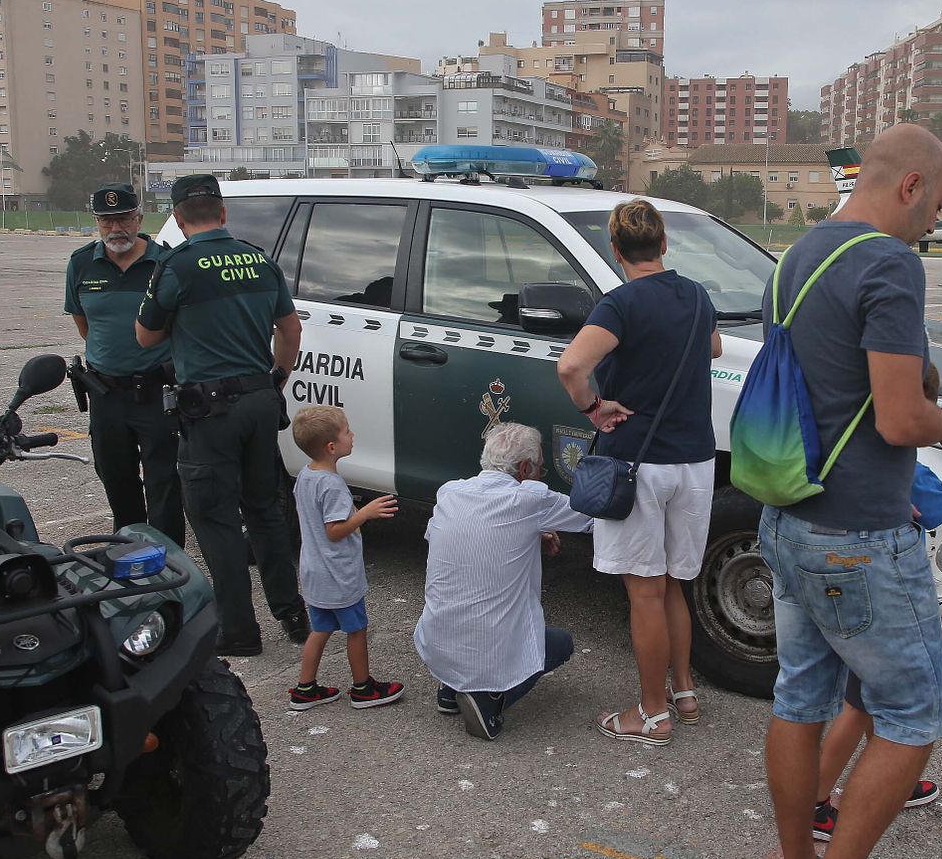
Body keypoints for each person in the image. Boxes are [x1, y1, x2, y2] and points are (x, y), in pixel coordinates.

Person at [758, 124, 942, 859]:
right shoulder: (892, 264)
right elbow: (900, 418)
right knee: (915, 714)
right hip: (860, 535)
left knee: (800, 696)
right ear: (910, 187)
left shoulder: (799, 252)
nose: (939, 217)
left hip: (788, 519)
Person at [556, 198, 721, 747]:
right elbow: (714, 346)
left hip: (640, 464)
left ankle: (651, 715)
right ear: (664, 244)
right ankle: (684, 689)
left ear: (616, 249)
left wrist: (591, 407)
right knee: (674, 583)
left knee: (644, 592)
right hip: (695, 461)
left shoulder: (620, 304)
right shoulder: (696, 295)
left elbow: (571, 366)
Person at [134, 173, 308, 657]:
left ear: (177, 217)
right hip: (259, 400)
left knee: (215, 518)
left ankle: (238, 630)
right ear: (223, 212)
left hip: (210, 411)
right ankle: (292, 614)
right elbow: (289, 329)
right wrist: (276, 377)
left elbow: (145, 338)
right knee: (265, 510)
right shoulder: (258, 259)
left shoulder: (177, 266)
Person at [811, 363, 942, 841]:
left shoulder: (848, 450)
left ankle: (892, 779)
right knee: (869, 699)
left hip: (836, 572)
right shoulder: (911, 471)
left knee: (867, 692)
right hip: (886, 588)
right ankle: (817, 799)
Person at [413, 423, 594, 741]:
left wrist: (534, 530)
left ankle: (451, 688)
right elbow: (593, 518)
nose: (542, 474)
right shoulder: (531, 499)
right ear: (525, 468)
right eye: (540, 467)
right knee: (560, 644)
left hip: (436, 642)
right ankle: (489, 699)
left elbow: (462, 538)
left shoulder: (450, 491)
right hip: (486, 650)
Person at [63, 182, 184, 545]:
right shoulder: (82, 263)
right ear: (97, 222)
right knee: (116, 477)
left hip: (157, 391)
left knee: (164, 482)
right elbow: (84, 323)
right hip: (106, 394)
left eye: (124, 219)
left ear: (139, 218)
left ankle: (168, 561)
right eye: (107, 221)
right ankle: (131, 552)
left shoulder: (166, 262)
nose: (116, 229)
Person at [285, 406, 404, 710]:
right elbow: (335, 531)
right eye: (347, 431)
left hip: (315, 572)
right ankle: (363, 687)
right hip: (338, 575)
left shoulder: (306, 477)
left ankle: (305, 688)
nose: (352, 435)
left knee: (320, 630)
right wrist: (365, 513)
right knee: (356, 629)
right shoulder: (332, 485)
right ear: (331, 446)